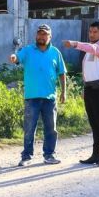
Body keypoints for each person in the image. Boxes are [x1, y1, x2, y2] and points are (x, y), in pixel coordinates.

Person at [9, 24, 66, 166]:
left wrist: (64, 92)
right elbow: (18, 57)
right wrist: (14, 57)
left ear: (50, 36)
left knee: (51, 129)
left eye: (45, 34)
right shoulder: (28, 50)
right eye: (39, 34)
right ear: (36, 35)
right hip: (32, 97)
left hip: (50, 97)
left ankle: (49, 155)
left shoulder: (55, 52)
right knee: (29, 128)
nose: (41, 36)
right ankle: (26, 156)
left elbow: (62, 73)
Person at [64, 21, 99, 164]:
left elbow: (94, 49)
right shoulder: (90, 48)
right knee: (93, 123)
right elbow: (88, 70)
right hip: (90, 89)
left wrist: (74, 44)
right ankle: (96, 154)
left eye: (95, 32)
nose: (91, 34)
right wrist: (85, 88)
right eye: (90, 32)